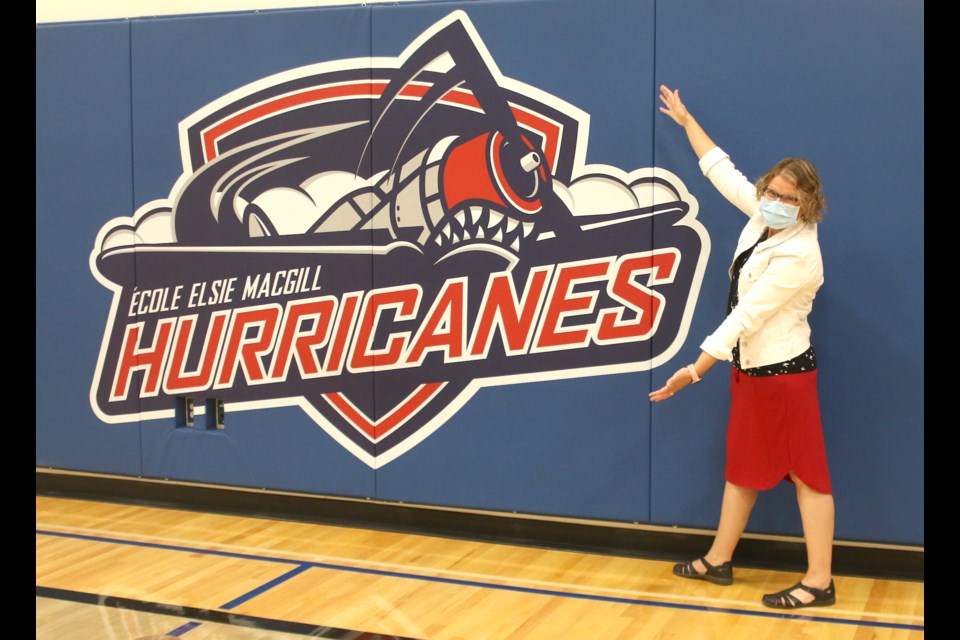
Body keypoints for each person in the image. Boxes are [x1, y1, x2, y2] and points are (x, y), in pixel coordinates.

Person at [650, 85, 836, 610]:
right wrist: (686, 121)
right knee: (743, 465)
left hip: (785, 376)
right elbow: (719, 168)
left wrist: (694, 369)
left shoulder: (801, 254)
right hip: (753, 371)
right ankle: (718, 559)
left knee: (807, 474)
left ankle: (819, 580)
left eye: (787, 198)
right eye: (771, 192)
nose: (774, 202)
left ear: (808, 205)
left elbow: (745, 315)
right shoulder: (762, 216)